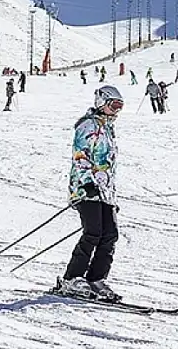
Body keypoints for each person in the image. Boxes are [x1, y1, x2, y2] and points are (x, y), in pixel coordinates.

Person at [54, 85, 124, 302]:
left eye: (120, 107)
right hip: (86, 188)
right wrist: (87, 183)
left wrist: (111, 194)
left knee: (110, 234)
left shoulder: (108, 128)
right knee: (93, 232)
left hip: (105, 192)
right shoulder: (88, 125)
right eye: (114, 105)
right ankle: (72, 277)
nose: (117, 110)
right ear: (101, 102)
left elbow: (108, 163)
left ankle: (96, 279)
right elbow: (81, 156)